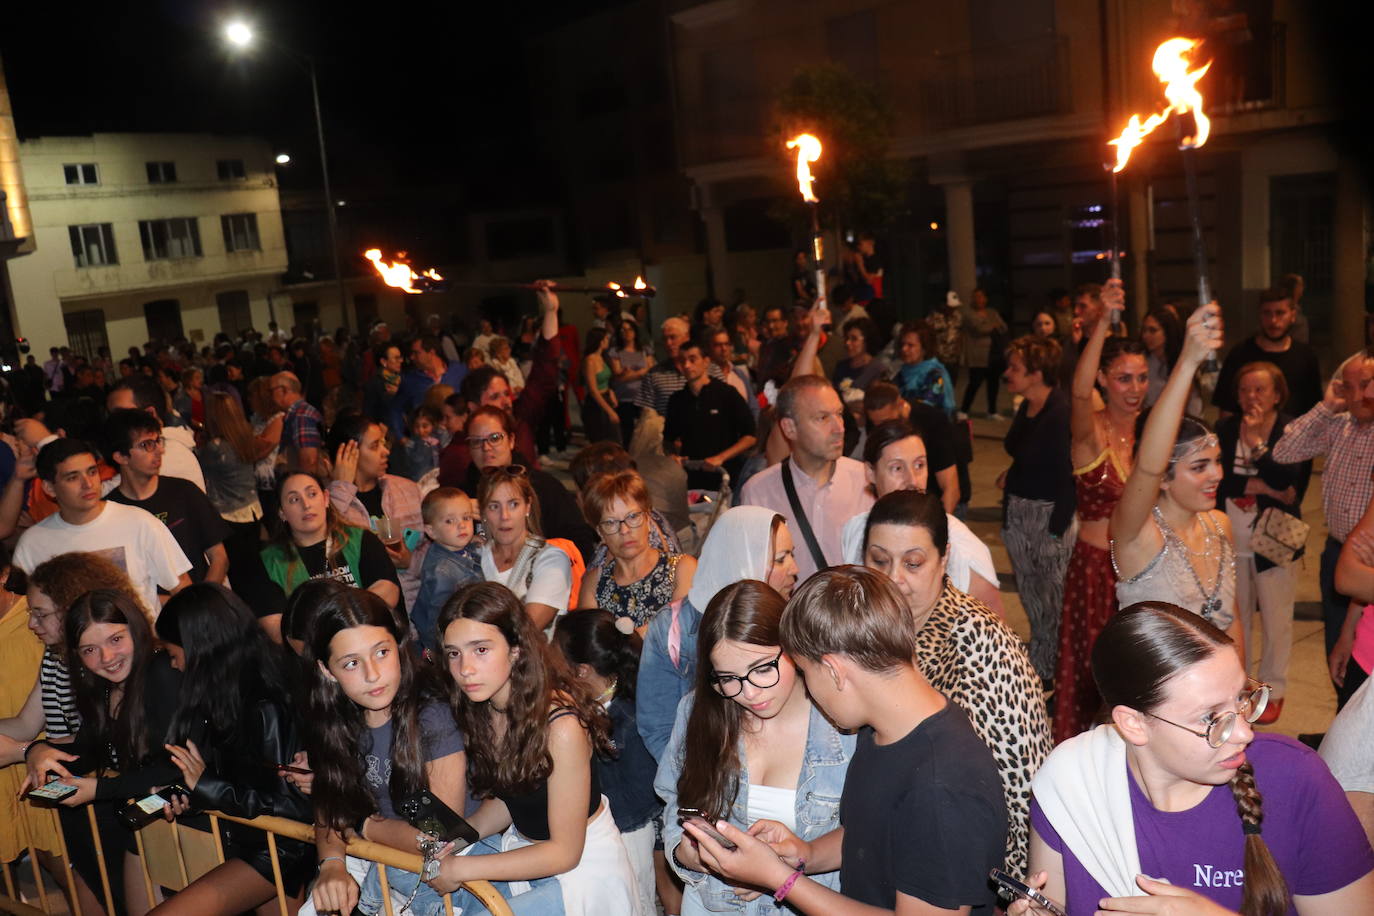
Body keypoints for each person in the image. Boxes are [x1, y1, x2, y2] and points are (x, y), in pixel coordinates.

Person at [685, 566, 1007, 914]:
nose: (807, 688)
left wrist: (781, 879)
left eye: (806, 673)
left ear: (835, 671)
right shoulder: (881, 731)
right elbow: (874, 836)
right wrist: (806, 854)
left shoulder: (941, 787)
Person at [1018, 602, 1374, 916]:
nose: (1244, 733)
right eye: (1210, 718)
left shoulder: (1296, 781)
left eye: (1241, 698)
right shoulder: (1074, 783)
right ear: (1133, 724)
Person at [418, 582, 638, 914]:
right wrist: (460, 837)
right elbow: (514, 796)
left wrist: (461, 869)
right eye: (454, 653)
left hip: (581, 873)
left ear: (516, 649)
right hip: (526, 854)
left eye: (480, 649)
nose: (465, 669)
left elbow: (565, 852)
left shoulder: (561, 725)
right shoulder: (486, 705)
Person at [861, 491, 1050, 876]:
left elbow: (1023, 786)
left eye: (913, 563)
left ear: (944, 557)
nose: (893, 578)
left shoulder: (981, 641)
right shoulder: (867, 625)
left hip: (963, 863)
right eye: (879, 561)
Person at [657, 579, 855, 915]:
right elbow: (674, 801)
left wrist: (788, 865)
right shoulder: (698, 709)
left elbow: (871, 836)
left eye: (762, 669)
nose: (749, 693)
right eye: (728, 677)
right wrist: (684, 853)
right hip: (712, 906)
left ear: (793, 646)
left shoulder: (843, 721)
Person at [302, 588, 470, 916]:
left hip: (438, 879)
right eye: (351, 663)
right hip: (378, 863)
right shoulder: (336, 721)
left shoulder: (430, 715)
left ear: (399, 644)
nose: (372, 674)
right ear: (326, 671)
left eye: (381, 652)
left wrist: (363, 827)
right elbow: (330, 805)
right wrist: (333, 864)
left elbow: (442, 838)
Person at [149, 584, 313, 915]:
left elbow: (294, 806)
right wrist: (194, 795)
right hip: (256, 839)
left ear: (199, 648)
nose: (175, 667)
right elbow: (240, 782)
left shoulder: (263, 702)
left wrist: (208, 786)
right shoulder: (230, 695)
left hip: (282, 847)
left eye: (173, 655)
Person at [21, 590, 183, 916]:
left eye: (115, 639)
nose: (106, 658)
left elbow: (176, 768)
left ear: (136, 629)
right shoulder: (103, 687)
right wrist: (37, 750)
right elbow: (88, 752)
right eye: (90, 650)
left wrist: (98, 789)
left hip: (187, 824)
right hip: (143, 824)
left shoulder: (162, 672)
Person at [1112, 299, 1244, 645]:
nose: (1216, 475)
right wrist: (1187, 361)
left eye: (1217, 462)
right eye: (1199, 466)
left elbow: (1232, 620)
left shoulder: (1220, 524)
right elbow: (1147, 466)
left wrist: (1241, 691)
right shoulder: (1137, 534)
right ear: (1165, 479)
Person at [1054, 279, 1147, 742]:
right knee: (1091, 683)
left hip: (1143, 575)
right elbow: (1076, 391)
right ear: (1105, 380)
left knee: (1138, 684)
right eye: (1123, 378)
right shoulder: (1091, 433)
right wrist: (1104, 321)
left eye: (1142, 378)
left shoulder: (1150, 436)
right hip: (1095, 576)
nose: (1134, 389)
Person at [637, 506, 798, 761]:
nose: (794, 569)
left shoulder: (793, 617)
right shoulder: (674, 628)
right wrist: (698, 778)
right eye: (780, 559)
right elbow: (658, 727)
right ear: (743, 559)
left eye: (791, 555)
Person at [1273, 350, 1374, 694]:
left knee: (1366, 653)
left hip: (1368, 562)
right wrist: (1327, 406)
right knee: (1338, 647)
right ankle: (1343, 717)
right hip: (1336, 553)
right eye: (1350, 387)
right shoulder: (1337, 426)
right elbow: (1283, 451)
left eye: (1367, 385)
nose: (1360, 396)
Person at [1216, 362, 1309, 724]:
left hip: (1274, 535)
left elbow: (1291, 484)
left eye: (1259, 390)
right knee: (1237, 615)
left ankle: (1274, 688)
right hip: (1230, 532)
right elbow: (1217, 481)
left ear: (1276, 395)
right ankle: (1244, 685)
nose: (1250, 397)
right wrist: (1259, 485)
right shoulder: (1224, 427)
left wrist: (1257, 446)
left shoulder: (1291, 430)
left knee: (1276, 615)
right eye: (1244, 390)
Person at [553, 610, 661, 916]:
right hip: (596, 826)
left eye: (556, 650)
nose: (549, 656)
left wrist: (593, 810)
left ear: (583, 670)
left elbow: (643, 794)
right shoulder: (578, 704)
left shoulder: (628, 718)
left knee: (634, 902)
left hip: (626, 831)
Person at [14, 439, 192, 614]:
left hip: (143, 641)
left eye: (92, 472)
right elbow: (22, 612)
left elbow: (181, 589)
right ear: (49, 488)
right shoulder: (32, 543)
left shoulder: (140, 522)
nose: (88, 484)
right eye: (73, 477)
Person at [840, 420, 1002, 611]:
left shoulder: (962, 546)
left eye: (919, 465)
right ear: (870, 472)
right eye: (897, 468)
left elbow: (992, 629)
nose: (912, 480)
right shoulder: (854, 530)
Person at [740, 376, 872, 580]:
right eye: (822, 418)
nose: (839, 428)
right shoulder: (758, 493)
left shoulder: (867, 481)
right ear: (790, 428)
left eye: (839, 414)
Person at [999, 334, 1076, 684]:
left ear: (1036, 372)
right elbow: (1018, 450)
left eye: (1015, 367)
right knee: (1031, 596)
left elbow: (1067, 472)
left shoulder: (1061, 411)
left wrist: (1057, 527)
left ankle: (1059, 670)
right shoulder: (1026, 406)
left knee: (1056, 601)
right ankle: (1042, 665)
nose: (1007, 373)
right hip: (1018, 511)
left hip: (1048, 515)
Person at [104, 408, 230, 585]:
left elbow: (219, 558)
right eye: (146, 445)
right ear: (121, 457)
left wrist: (203, 600)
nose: (159, 450)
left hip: (197, 601)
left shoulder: (185, 491)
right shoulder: (108, 511)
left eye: (158, 441)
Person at [459, 406, 598, 561]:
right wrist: (458, 515)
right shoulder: (460, 496)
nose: (486, 447)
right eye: (476, 441)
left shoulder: (545, 487)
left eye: (495, 438)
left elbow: (580, 544)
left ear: (511, 441)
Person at [259, 471, 402, 619]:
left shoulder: (360, 539)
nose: (306, 505)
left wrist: (342, 619)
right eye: (294, 499)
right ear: (282, 513)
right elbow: (275, 626)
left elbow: (388, 590)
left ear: (326, 499)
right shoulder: (270, 560)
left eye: (312, 494)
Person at [577, 470, 695, 635]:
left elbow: (679, 633)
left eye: (632, 517)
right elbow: (588, 645)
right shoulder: (593, 582)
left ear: (648, 519)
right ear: (600, 533)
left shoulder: (682, 568)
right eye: (611, 522)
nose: (624, 530)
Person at [326, 414, 425, 610]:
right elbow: (327, 553)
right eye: (374, 446)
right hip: (366, 611)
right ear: (348, 453)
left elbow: (436, 547)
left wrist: (411, 561)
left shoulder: (407, 490)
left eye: (384, 443)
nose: (386, 451)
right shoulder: (328, 501)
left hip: (419, 608)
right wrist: (341, 489)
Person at [477, 464, 574, 632]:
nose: (504, 516)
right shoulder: (472, 555)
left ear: (527, 507)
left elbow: (526, 631)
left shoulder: (551, 559)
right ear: (483, 512)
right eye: (494, 506)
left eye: (513, 504)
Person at [1213, 287, 1324, 420]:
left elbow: (1314, 408)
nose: (1273, 321)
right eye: (1267, 313)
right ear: (1259, 314)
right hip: (1247, 434)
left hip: (1294, 435)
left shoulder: (1306, 356)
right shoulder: (1240, 354)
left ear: (1292, 316)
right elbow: (1226, 408)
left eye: (1280, 313)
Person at [664, 339, 757, 491]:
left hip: (725, 477)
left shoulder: (727, 393)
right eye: (682, 361)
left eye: (692, 359)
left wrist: (721, 457)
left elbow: (750, 436)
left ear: (706, 361)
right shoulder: (677, 400)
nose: (687, 365)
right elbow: (668, 440)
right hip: (691, 479)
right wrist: (673, 456)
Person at [861, 381, 961, 513]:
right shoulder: (878, 423)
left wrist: (940, 526)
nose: (880, 428)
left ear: (901, 405)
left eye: (919, 465)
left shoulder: (933, 422)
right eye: (875, 423)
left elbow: (951, 488)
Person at [410, 487, 482, 656]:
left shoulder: (457, 546)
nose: (462, 525)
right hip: (444, 641)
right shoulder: (441, 572)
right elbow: (436, 619)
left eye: (466, 517)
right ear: (431, 531)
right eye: (449, 521)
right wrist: (438, 652)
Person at [107, 375, 206, 490]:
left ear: (150, 414)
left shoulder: (169, 452)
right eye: (111, 416)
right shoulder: (169, 443)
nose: (114, 423)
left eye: (123, 415)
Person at [960, 287, 1009, 418]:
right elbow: (980, 329)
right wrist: (993, 325)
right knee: (974, 383)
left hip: (994, 354)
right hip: (978, 355)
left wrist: (993, 325)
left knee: (993, 384)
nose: (979, 300)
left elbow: (1003, 326)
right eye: (976, 297)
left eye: (981, 296)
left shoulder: (991, 312)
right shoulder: (969, 315)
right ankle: (964, 410)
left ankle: (992, 411)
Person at [893, 321, 955, 416]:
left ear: (924, 348)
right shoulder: (902, 371)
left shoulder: (935, 374)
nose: (904, 349)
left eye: (910, 345)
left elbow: (926, 409)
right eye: (903, 344)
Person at [609, 318, 653, 447]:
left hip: (643, 396)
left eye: (629, 329)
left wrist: (630, 374)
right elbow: (618, 376)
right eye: (623, 330)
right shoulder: (616, 352)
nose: (626, 333)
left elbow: (650, 370)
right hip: (624, 397)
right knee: (627, 432)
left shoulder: (644, 350)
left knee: (645, 430)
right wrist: (640, 372)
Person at [636, 316, 692, 416]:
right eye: (665, 339)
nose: (668, 343)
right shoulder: (654, 374)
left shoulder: (707, 369)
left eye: (673, 337)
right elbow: (646, 412)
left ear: (687, 337)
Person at [272, 372, 324, 474]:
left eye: (271, 391)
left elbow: (309, 461)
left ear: (284, 390)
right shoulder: (299, 414)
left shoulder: (301, 415)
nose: (270, 396)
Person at [581, 326, 621, 446]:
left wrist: (611, 392)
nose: (608, 341)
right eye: (606, 339)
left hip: (606, 397)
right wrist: (609, 411)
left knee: (615, 440)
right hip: (596, 404)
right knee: (602, 441)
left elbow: (607, 379)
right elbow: (593, 390)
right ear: (600, 341)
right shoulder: (590, 360)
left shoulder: (603, 357)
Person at [831, 316, 888, 397]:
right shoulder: (841, 366)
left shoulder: (878, 370)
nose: (847, 343)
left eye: (854, 339)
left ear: (867, 341)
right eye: (846, 338)